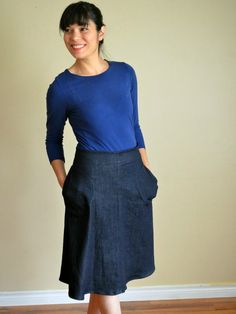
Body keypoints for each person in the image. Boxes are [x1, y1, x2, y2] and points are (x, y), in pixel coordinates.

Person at [45, 1, 158, 313]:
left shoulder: (125, 74)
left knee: (104, 276)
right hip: (92, 181)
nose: (74, 36)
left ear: (100, 32)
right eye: (68, 30)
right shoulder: (62, 87)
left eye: (83, 28)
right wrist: (66, 184)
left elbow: (134, 125)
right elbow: (53, 141)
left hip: (131, 176)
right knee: (106, 275)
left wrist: (146, 172)